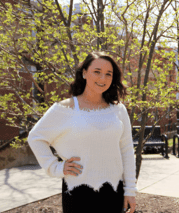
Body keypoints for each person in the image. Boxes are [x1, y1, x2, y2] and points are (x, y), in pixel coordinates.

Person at [27, 51, 137, 213]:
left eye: (108, 74)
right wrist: (55, 167)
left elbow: (127, 150)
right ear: (84, 73)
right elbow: (35, 137)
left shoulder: (118, 110)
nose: (102, 79)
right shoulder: (65, 108)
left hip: (113, 191)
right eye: (97, 72)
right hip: (77, 192)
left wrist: (130, 190)